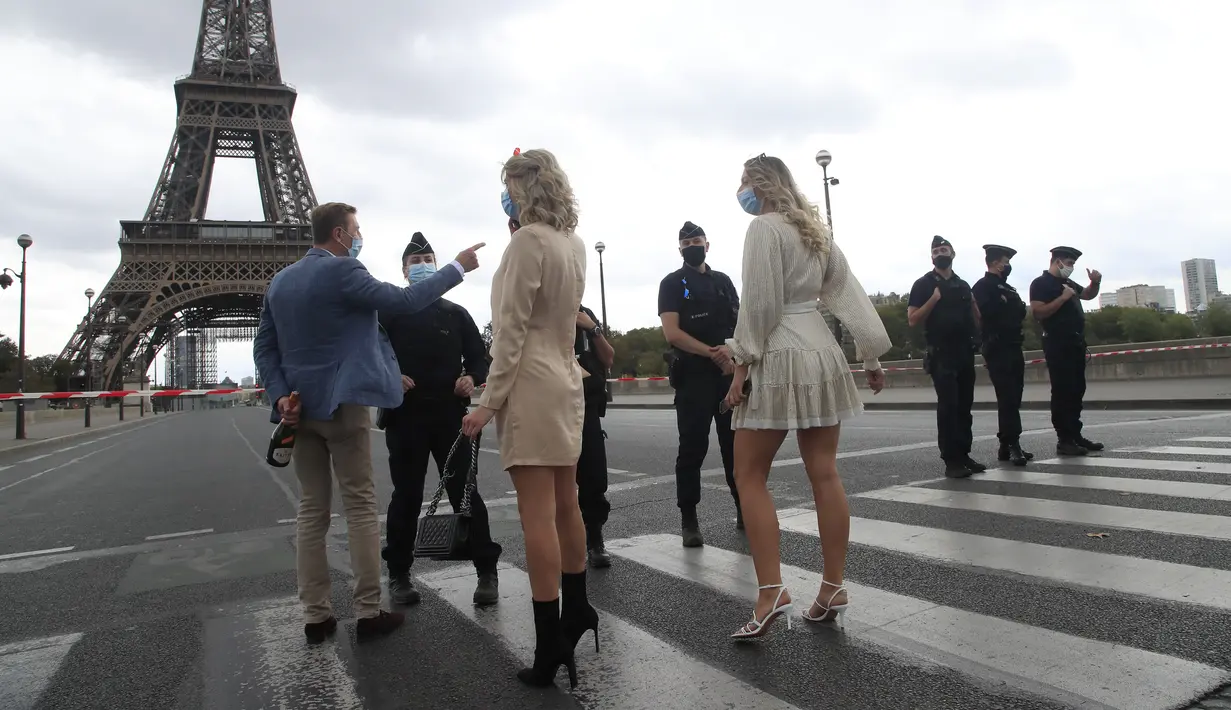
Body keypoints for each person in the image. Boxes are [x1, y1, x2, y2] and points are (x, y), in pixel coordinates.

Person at [252, 202, 484, 643]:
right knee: (359, 506)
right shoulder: (344, 271)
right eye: (356, 230)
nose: (359, 237)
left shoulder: (280, 282)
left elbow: (265, 349)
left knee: (311, 511)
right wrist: (457, 266)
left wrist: (281, 395)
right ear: (340, 234)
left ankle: (316, 615)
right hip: (343, 404)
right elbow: (406, 299)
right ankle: (368, 609)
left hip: (298, 411)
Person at [717, 153, 890, 640]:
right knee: (825, 472)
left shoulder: (763, 230)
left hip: (778, 353)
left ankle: (771, 591)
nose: (741, 190)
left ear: (761, 185)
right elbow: (848, 294)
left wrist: (740, 367)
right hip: (822, 350)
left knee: (749, 474)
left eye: (745, 181)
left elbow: (759, 307)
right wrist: (871, 357)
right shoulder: (816, 231)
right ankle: (832, 586)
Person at [460, 148, 594, 689]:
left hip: (530, 383)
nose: (506, 197)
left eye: (510, 187)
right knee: (568, 504)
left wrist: (488, 400)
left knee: (536, 515)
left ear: (522, 190)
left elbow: (509, 331)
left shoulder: (525, 242)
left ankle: (549, 640)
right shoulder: (573, 243)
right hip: (565, 378)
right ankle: (577, 608)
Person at [377, 231, 502, 608]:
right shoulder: (389, 313)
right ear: (403, 272)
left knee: (464, 492)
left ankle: (486, 570)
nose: (422, 265)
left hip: (451, 415)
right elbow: (370, 354)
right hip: (405, 415)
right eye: (415, 262)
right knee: (406, 497)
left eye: (428, 259)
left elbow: (479, 359)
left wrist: (472, 377)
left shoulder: (456, 314)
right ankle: (399, 573)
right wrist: (389, 376)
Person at [658, 220, 741, 548]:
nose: (692, 245)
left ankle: (744, 509)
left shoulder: (723, 282)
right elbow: (672, 333)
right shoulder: (672, 283)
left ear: (708, 244)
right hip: (693, 377)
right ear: (680, 248)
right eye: (687, 242)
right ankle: (689, 519)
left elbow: (740, 322)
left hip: (728, 375)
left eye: (697, 240)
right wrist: (712, 353)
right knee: (692, 449)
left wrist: (731, 353)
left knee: (735, 448)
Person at [907, 235, 986, 478]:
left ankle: (964, 454)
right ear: (932, 257)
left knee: (964, 407)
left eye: (945, 249)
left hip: (964, 352)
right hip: (942, 354)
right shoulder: (923, 284)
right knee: (949, 407)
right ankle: (951, 460)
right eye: (936, 251)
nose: (941, 253)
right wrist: (934, 299)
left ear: (953, 253)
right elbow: (912, 319)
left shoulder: (962, 285)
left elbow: (976, 317)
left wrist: (975, 310)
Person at [1029, 246, 1105, 455]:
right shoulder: (1040, 284)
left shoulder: (1068, 283)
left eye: (1073, 264)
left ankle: (1075, 434)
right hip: (1057, 343)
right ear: (1057, 262)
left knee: (1076, 390)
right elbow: (1038, 312)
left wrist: (1095, 282)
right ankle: (1064, 439)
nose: (1071, 268)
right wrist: (1062, 298)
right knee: (1062, 391)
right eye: (1069, 264)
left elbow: (1087, 295)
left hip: (1075, 343)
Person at [972, 244, 1034, 466]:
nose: (1008, 265)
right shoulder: (982, 287)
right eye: (1005, 261)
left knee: (1014, 397)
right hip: (997, 347)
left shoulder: (1009, 289)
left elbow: (1019, 313)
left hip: (1014, 345)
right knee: (1007, 397)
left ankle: (1005, 445)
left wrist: (1007, 306)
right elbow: (986, 315)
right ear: (995, 262)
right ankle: (1012, 443)